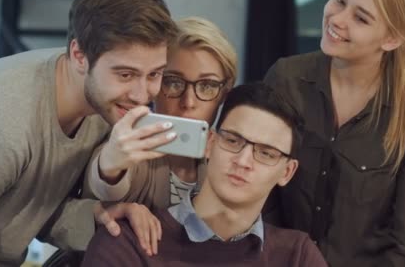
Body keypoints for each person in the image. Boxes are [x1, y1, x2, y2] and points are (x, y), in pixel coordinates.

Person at [0, 0, 178, 266]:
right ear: (79, 56)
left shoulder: (103, 103)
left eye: (154, 75)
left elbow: (26, 211)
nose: (141, 95)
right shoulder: (3, 125)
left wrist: (95, 216)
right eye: (125, 75)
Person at [263, 0, 405, 267]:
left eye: (361, 18)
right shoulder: (286, 79)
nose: (337, 19)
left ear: (391, 39)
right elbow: (259, 195)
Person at [81, 82, 328, 267]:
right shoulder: (128, 243)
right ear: (209, 143)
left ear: (287, 171)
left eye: (266, 153)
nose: (243, 161)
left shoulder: (298, 257)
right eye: (233, 141)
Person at [84, 16, 237, 254]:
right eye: (174, 82)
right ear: (155, 84)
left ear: (224, 94)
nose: (189, 102)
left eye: (207, 85)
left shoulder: (231, 156)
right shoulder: (129, 141)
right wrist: (111, 165)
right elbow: (101, 184)